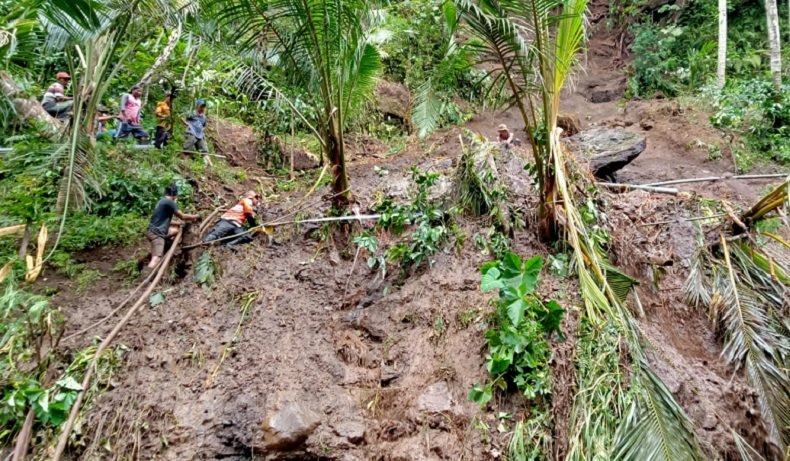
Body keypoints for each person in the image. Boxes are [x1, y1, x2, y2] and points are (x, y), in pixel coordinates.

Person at [145, 183, 199, 270]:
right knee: (156, 258)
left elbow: (165, 221)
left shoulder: (161, 201)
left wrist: (179, 224)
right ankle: (146, 278)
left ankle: (167, 244)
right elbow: (182, 216)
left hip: (151, 230)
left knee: (175, 230)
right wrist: (197, 216)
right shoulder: (170, 202)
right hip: (157, 234)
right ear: (174, 195)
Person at [182, 99, 211, 166]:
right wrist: (187, 124)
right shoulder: (193, 113)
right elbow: (183, 117)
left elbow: (204, 125)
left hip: (199, 135)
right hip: (191, 132)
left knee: (204, 150)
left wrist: (203, 129)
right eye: (201, 106)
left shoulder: (204, 117)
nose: (202, 108)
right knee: (187, 148)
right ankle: (184, 163)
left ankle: (211, 166)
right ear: (197, 106)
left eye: (203, 107)